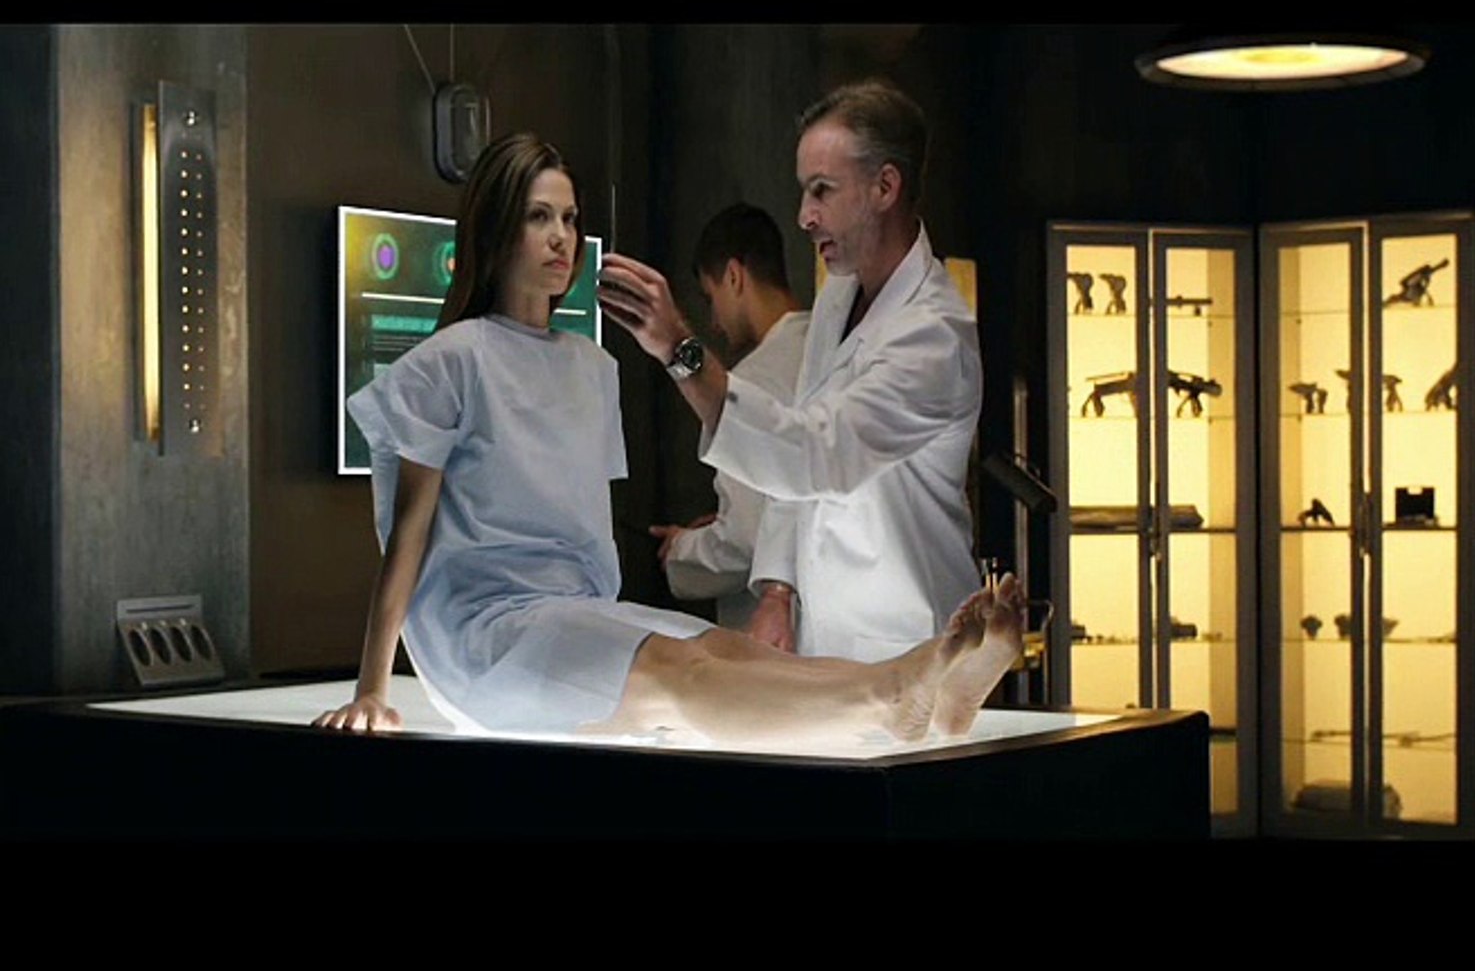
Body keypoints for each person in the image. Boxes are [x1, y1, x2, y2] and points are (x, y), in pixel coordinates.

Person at [312, 131, 1021, 747]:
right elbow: (407, 538)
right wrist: (373, 687)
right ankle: (892, 695)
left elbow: (585, 532)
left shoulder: (592, 367)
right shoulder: (447, 362)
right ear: (497, 230)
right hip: (485, 636)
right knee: (674, 675)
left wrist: (612, 623)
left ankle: (920, 699)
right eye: (538, 217)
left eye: (569, 218)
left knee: (726, 650)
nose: (561, 237)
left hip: (574, 611)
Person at [599, 79, 983, 662]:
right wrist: (778, 588)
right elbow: (798, 454)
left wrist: (680, 349)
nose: (804, 216)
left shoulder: (934, 337)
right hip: (827, 640)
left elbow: (812, 455)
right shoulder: (839, 298)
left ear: (885, 187)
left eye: (822, 190)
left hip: (913, 645)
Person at [650, 203, 809, 631]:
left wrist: (682, 550)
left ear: (735, 277)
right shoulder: (829, 353)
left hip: (777, 634)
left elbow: (744, 541)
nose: (714, 321)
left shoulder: (753, 379)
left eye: (710, 297)